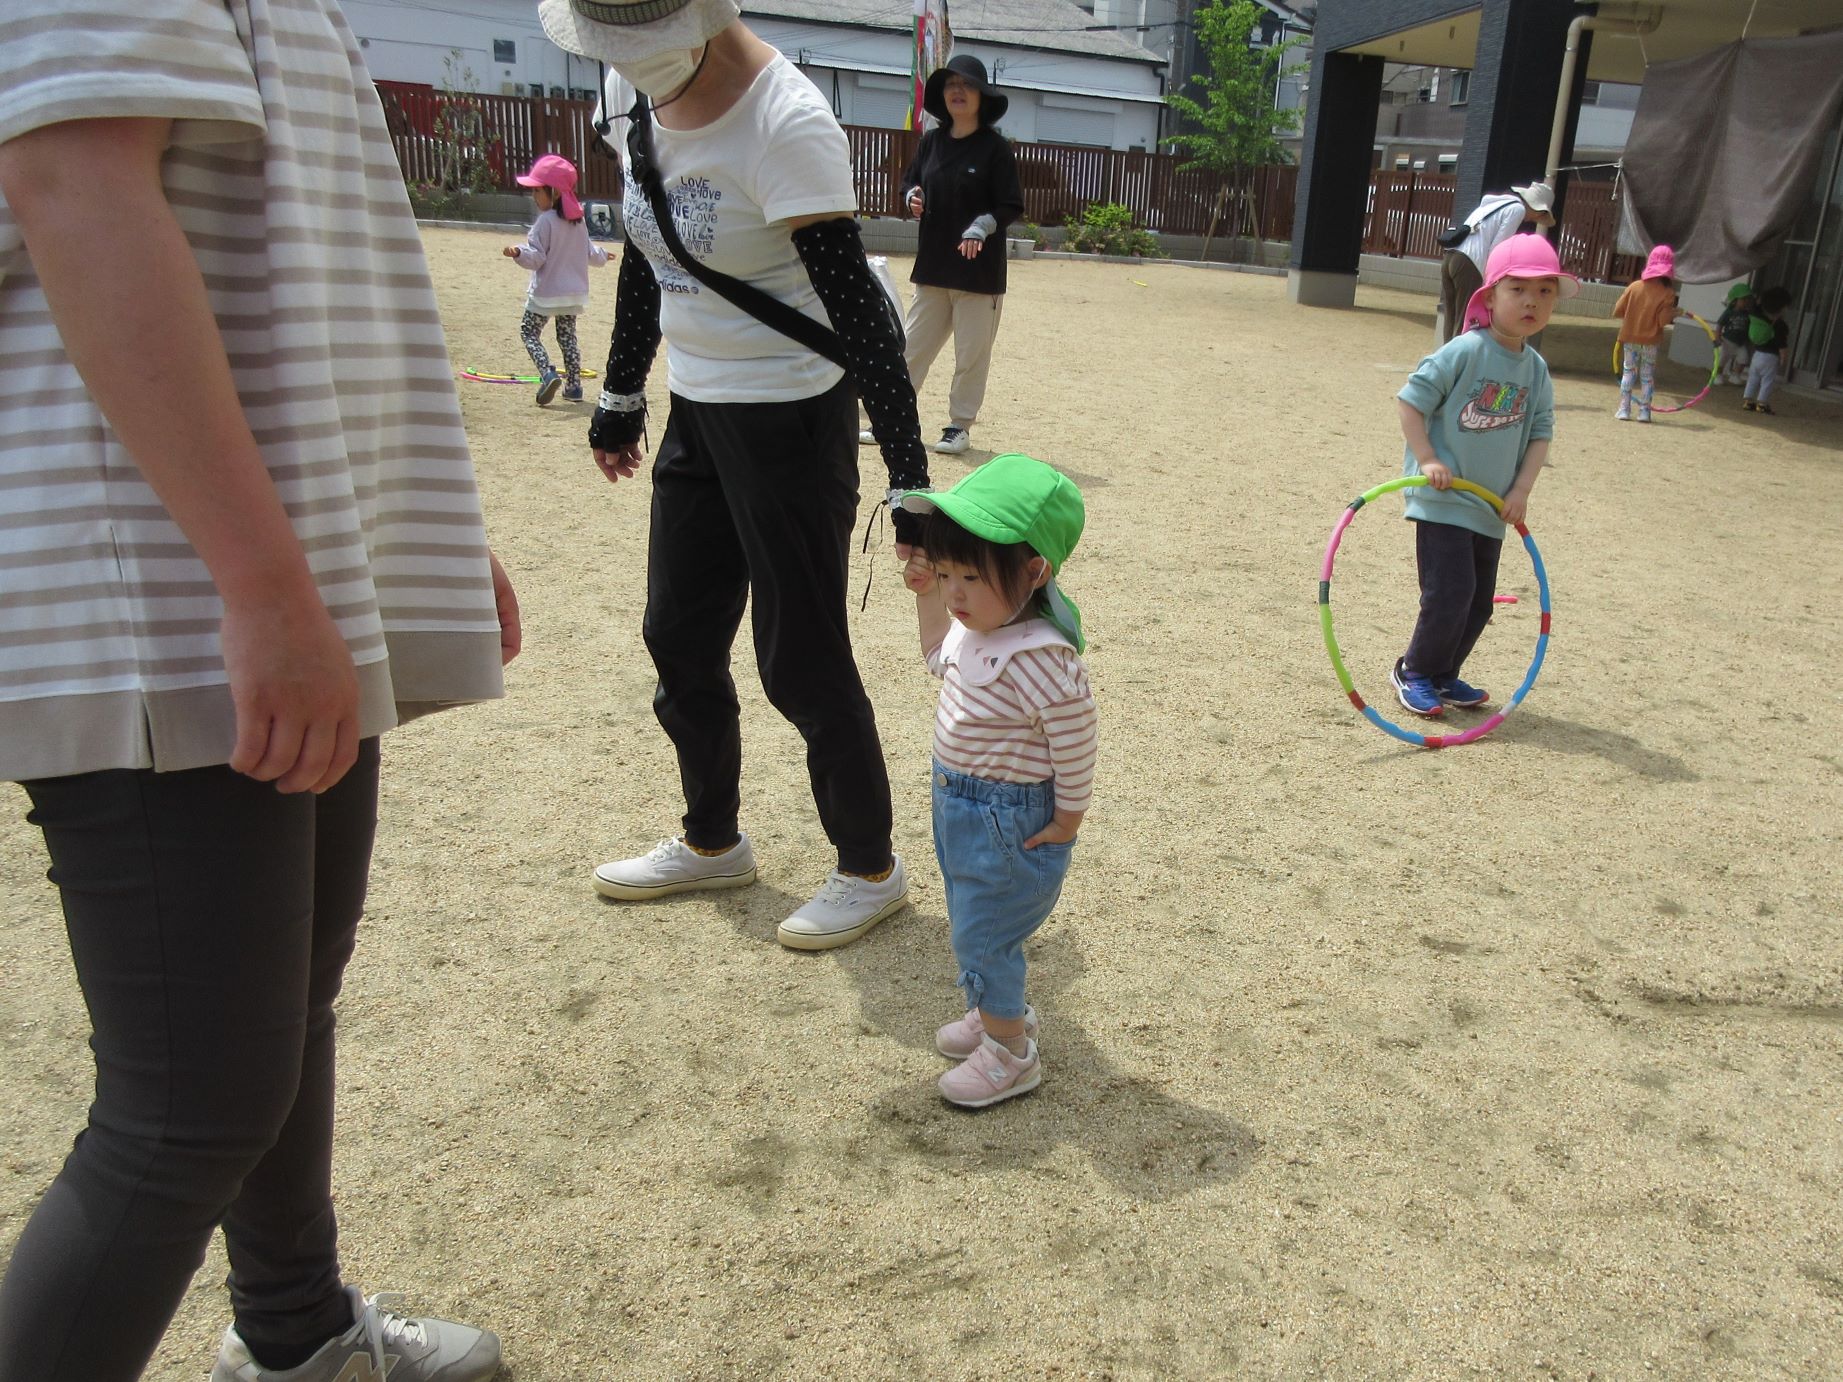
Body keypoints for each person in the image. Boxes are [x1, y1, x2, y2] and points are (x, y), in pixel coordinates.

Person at [0, 3, 518, 1381]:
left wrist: (383, 542)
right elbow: (73, 184)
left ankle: (296, 1334)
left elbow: (288, 258)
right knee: (186, 1110)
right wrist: (262, 584)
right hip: (158, 587)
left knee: (280, 1017)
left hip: (262, 569)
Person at [538, 0, 932, 949]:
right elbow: (651, 250)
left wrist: (909, 480)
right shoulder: (634, 84)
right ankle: (711, 840)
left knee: (799, 655)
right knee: (676, 633)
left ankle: (869, 866)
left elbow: (860, 315)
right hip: (698, 405)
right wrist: (621, 395)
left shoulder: (785, 123)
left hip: (792, 412)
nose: (622, 64)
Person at [896, 456, 1095, 1108]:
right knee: (971, 919)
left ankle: (1011, 1054)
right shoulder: (975, 629)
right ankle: (996, 1013)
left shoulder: (1040, 657)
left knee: (986, 936)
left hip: (1009, 822)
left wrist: (1066, 818)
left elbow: (1075, 744)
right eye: (946, 574)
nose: (953, 594)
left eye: (971, 578)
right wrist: (926, 594)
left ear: (1033, 571)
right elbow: (937, 655)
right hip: (959, 806)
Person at [1390, 234, 1571, 718]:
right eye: (1518, 289)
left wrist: (1521, 489)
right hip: (1445, 499)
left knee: (1479, 603)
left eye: (1545, 291)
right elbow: (1410, 402)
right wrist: (1428, 459)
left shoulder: (1536, 370)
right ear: (1489, 297)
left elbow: (1541, 432)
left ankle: (1443, 674)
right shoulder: (1465, 351)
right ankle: (1415, 671)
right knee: (1450, 592)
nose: (1532, 301)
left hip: (1491, 506)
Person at [887, 55, 1025, 457]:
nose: (957, 91)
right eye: (950, 85)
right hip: (933, 268)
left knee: (970, 355)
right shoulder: (930, 142)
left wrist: (982, 226)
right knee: (911, 349)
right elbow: (910, 182)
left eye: (966, 85)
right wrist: (912, 196)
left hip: (978, 276)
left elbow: (1010, 204)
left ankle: (958, 426)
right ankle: (892, 420)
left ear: (982, 96)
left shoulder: (996, 149)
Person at [502, 153, 608, 405]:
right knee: (567, 338)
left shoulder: (545, 222)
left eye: (537, 190)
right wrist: (604, 255)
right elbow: (589, 253)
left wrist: (518, 252)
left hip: (547, 293)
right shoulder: (578, 222)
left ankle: (547, 373)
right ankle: (574, 387)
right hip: (573, 294)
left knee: (528, 332)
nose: (534, 196)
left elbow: (536, 257)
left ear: (556, 192)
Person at [1438, 180, 1556, 344]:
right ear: (1537, 208)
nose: (1534, 220)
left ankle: (1447, 354)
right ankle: (1461, 356)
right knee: (1464, 317)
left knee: (1451, 314)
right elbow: (1498, 248)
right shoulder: (1517, 209)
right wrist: (1493, 280)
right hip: (1470, 262)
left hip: (1451, 256)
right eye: (1540, 215)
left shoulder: (1496, 203)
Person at [1611, 243, 1680, 422]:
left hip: (1630, 337)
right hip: (1651, 341)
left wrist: (1633, 313)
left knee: (1628, 372)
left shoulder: (1634, 287)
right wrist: (1673, 313)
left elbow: (1617, 310)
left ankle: (1624, 410)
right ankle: (1644, 412)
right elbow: (1662, 321)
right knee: (1647, 376)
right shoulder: (1668, 293)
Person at [1742, 286, 1792, 415]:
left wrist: (1761, 298)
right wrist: (1784, 360)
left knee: (1753, 378)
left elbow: (1755, 304)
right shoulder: (1779, 325)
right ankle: (1762, 404)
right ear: (1782, 307)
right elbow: (1782, 345)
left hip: (1757, 354)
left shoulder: (1756, 315)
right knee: (1767, 381)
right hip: (1771, 357)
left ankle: (1748, 401)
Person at [1715, 282, 1756, 385]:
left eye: (1748, 300)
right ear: (1734, 300)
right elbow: (1720, 324)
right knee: (1722, 360)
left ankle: (1735, 375)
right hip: (1727, 342)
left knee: (1744, 359)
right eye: (1743, 300)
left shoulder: (1747, 314)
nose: (1746, 302)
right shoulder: (1729, 312)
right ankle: (1718, 375)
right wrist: (1717, 337)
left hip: (1741, 343)